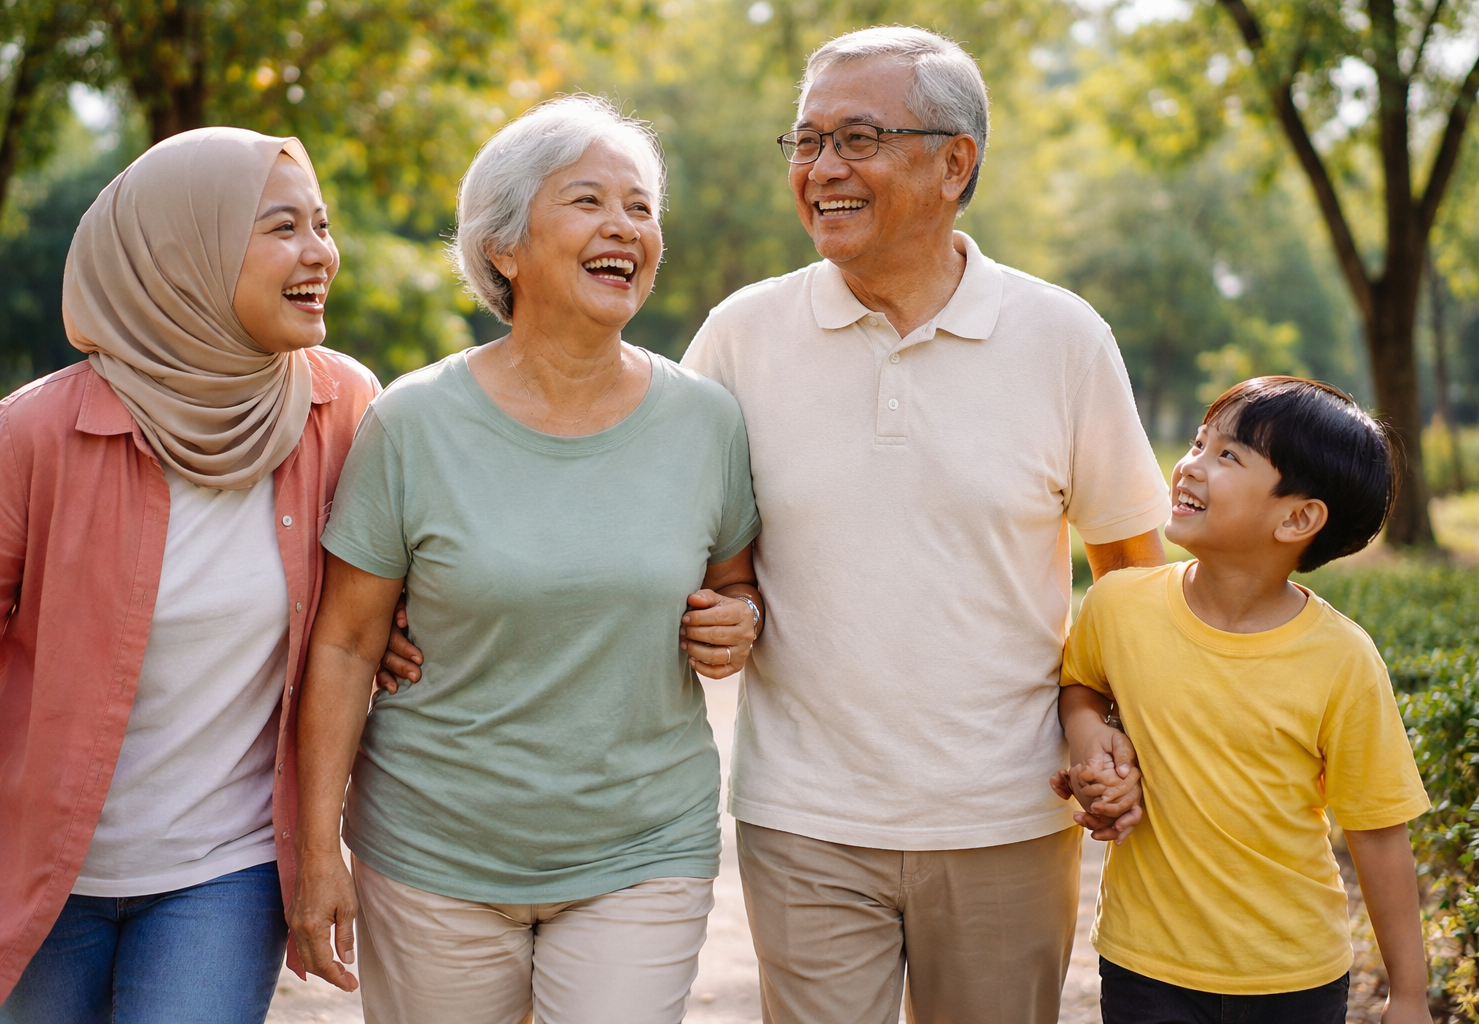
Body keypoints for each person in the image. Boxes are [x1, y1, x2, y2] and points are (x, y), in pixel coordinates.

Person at [679, 26, 1166, 1024]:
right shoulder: (739, 335)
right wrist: (729, 607)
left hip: (1008, 814)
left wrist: (1108, 730)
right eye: (806, 141)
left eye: (858, 139)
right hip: (804, 816)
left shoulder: (1063, 338)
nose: (821, 169)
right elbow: (673, 534)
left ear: (956, 163)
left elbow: (1131, 574)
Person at [287, 95, 762, 1024]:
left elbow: (737, 583)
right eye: (588, 201)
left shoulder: (707, 422)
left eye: (640, 207)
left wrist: (740, 619)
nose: (624, 226)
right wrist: (315, 857)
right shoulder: (412, 424)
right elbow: (344, 645)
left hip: (642, 845)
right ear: (503, 247)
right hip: (433, 851)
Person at [0, 127, 387, 1023]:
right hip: (44, 870)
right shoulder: (35, 437)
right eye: (283, 226)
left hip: (225, 868)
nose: (320, 253)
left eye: (322, 225)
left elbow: (373, 604)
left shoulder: (342, 408)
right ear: (184, 252)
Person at [1056, 376, 1432, 1024]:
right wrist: (1088, 733)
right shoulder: (1118, 605)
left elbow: (1376, 831)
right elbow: (1080, 683)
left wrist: (1410, 994)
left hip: (1295, 974)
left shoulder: (1342, 660)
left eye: (1228, 455)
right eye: (1199, 442)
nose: (1190, 465)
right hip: (1146, 965)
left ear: (1297, 518)